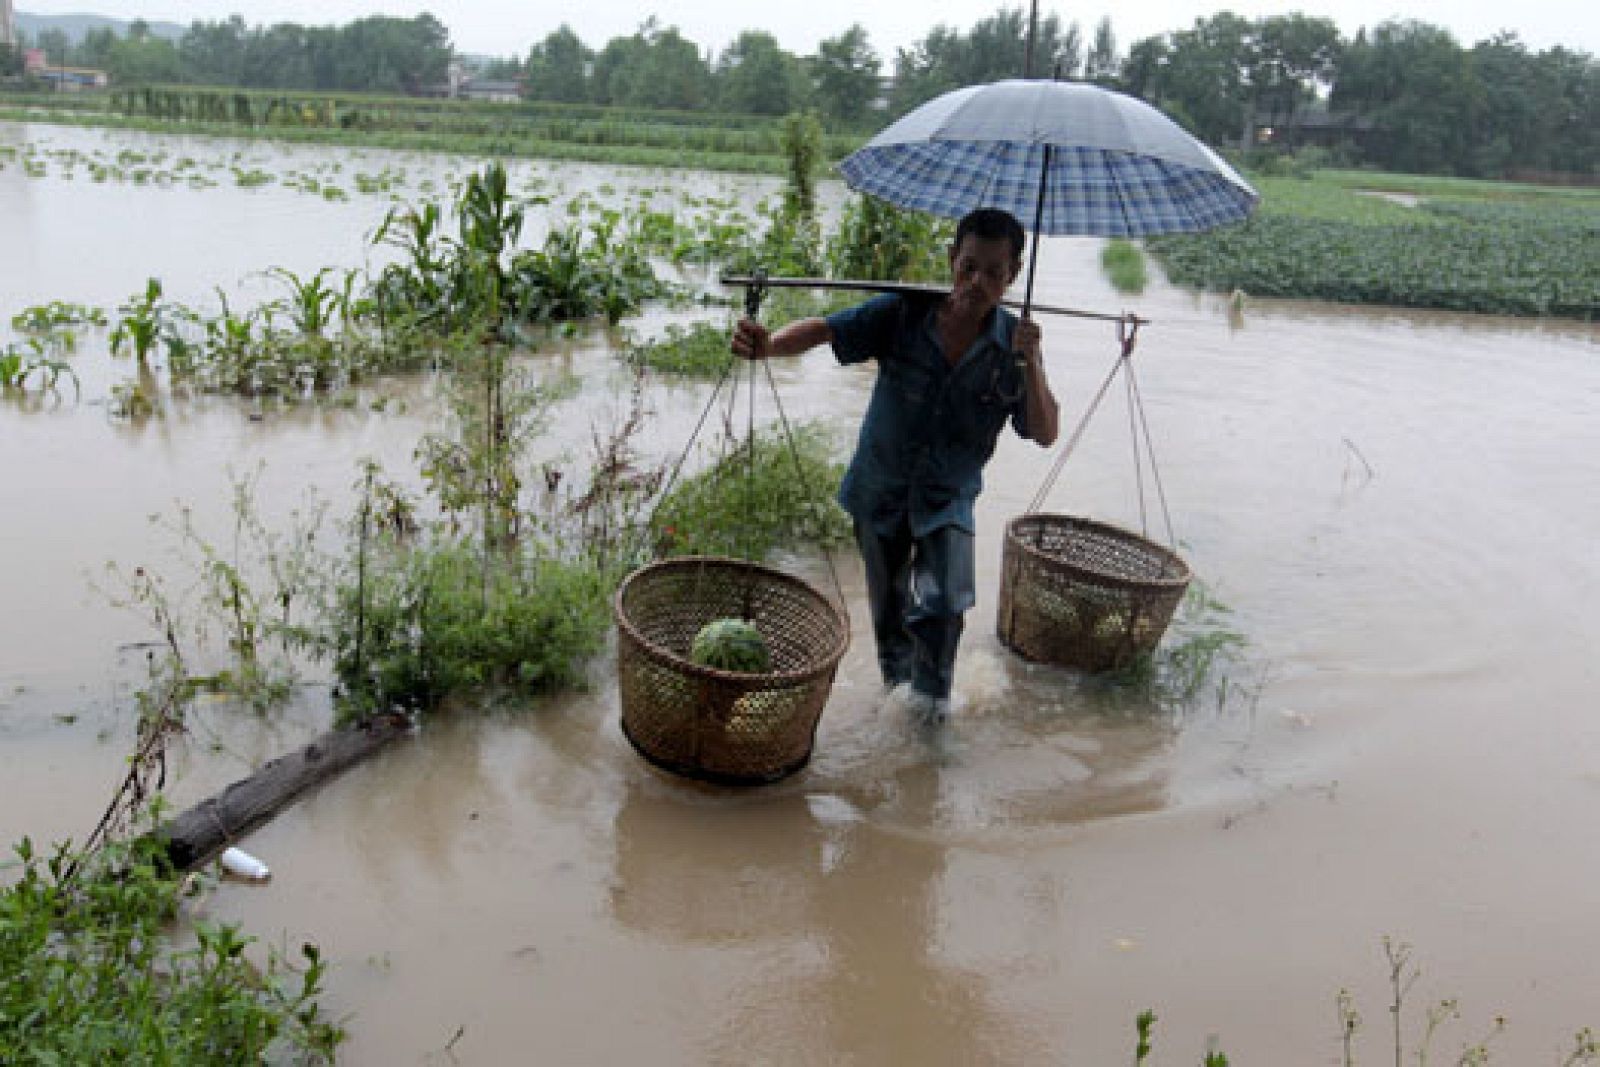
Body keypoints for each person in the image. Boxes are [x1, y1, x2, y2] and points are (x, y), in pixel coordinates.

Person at [731, 208, 1060, 719]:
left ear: (1013, 276)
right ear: (952, 260)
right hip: (879, 489)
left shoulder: (1012, 348)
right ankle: (900, 706)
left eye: (994, 273)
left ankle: (931, 713)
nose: (977, 283)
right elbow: (824, 330)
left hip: (946, 498)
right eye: (968, 267)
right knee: (890, 618)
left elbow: (1044, 432)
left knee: (946, 603)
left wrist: (1033, 362)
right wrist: (769, 346)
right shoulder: (903, 313)